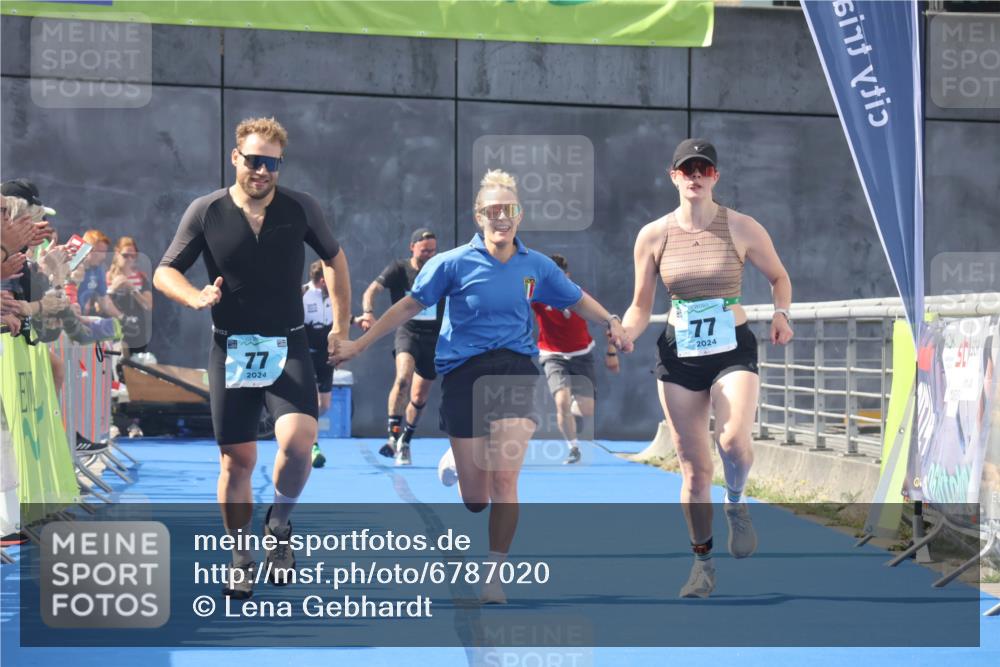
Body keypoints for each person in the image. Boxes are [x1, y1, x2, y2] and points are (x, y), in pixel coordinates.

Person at [332, 169, 632, 603]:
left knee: (506, 480)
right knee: (477, 498)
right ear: (479, 216)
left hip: (514, 368)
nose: (501, 218)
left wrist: (612, 322)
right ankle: (457, 465)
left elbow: (575, 297)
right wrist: (360, 343)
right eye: (492, 211)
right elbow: (408, 305)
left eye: (508, 210)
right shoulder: (451, 263)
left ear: (519, 215)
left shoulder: (537, 265)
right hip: (462, 373)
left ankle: (494, 577)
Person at [153, 117, 350, 600]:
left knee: (300, 439)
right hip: (233, 346)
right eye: (254, 160)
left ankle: (279, 526)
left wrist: (342, 326)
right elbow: (164, 271)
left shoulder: (301, 208)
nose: (262, 170)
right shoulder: (206, 211)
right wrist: (194, 296)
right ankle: (240, 555)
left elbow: (335, 260)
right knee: (236, 462)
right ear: (235, 157)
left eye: (272, 163)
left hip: (288, 343)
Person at [622, 138, 793, 598]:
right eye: (687, 169)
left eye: (704, 168)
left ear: (715, 176)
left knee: (734, 440)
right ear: (673, 175)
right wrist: (625, 331)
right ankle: (702, 564)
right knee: (694, 469)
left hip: (731, 347)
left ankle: (736, 502)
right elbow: (640, 306)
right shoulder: (653, 235)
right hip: (679, 353)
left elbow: (779, 277)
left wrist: (781, 313)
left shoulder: (741, 226)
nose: (695, 175)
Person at [356, 227, 443, 466]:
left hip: (434, 338)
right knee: (403, 379)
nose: (429, 255)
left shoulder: (441, 270)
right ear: (412, 247)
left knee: (419, 395)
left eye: (433, 251)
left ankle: (406, 440)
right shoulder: (399, 269)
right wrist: (368, 312)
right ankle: (393, 435)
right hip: (408, 331)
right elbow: (371, 290)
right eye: (425, 251)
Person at [532, 254, 619, 465]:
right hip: (552, 355)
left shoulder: (578, 295)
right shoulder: (538, 295)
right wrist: (531, 272)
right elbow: (525, 290)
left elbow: (610, 323)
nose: (554, 283)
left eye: (559, 277)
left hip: (582, 355)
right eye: (550, 278)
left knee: (586, 410)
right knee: (561, 401)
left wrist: (612, 353)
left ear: (567, 276)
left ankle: (571, 407)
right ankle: (573, 448)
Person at [302, 259, 333, 468]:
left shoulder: (332, 294)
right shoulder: (302, 293)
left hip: (326, 354)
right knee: (312, 402)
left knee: (324, 405)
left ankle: (303, 428)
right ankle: (313, 446)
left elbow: (339, 316)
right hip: (305, 352)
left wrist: (356, 320)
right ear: (322, 280)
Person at [75, 229, 124, 320]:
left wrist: (122, 318)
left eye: (104, 252)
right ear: (87, 249)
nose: (103, 257)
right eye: (100, 252)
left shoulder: (98, 270)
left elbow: (104, 300)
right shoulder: (70, 266)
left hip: (77, 320)